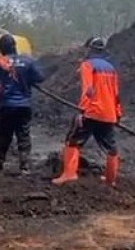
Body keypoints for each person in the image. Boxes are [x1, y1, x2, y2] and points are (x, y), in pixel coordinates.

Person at [52, 36, 123, 186]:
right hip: (109, 114)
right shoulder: (112, 69)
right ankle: (111, 179)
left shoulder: (87, 65)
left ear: (90, 49)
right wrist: (118, 113)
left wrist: (82, 111)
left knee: (73, 141)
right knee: (111, 147)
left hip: (92, 111)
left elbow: (88, 90)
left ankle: (69, 174)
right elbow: (116, 94)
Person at [0, 34, 45, 175]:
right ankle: (24, 167)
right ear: (15, 46)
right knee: (23, 135)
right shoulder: (27, 61)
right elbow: (40, 78)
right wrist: (28, 78)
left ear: (1, 49)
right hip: (23, 105)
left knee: (3, 135)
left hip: (6, 106)